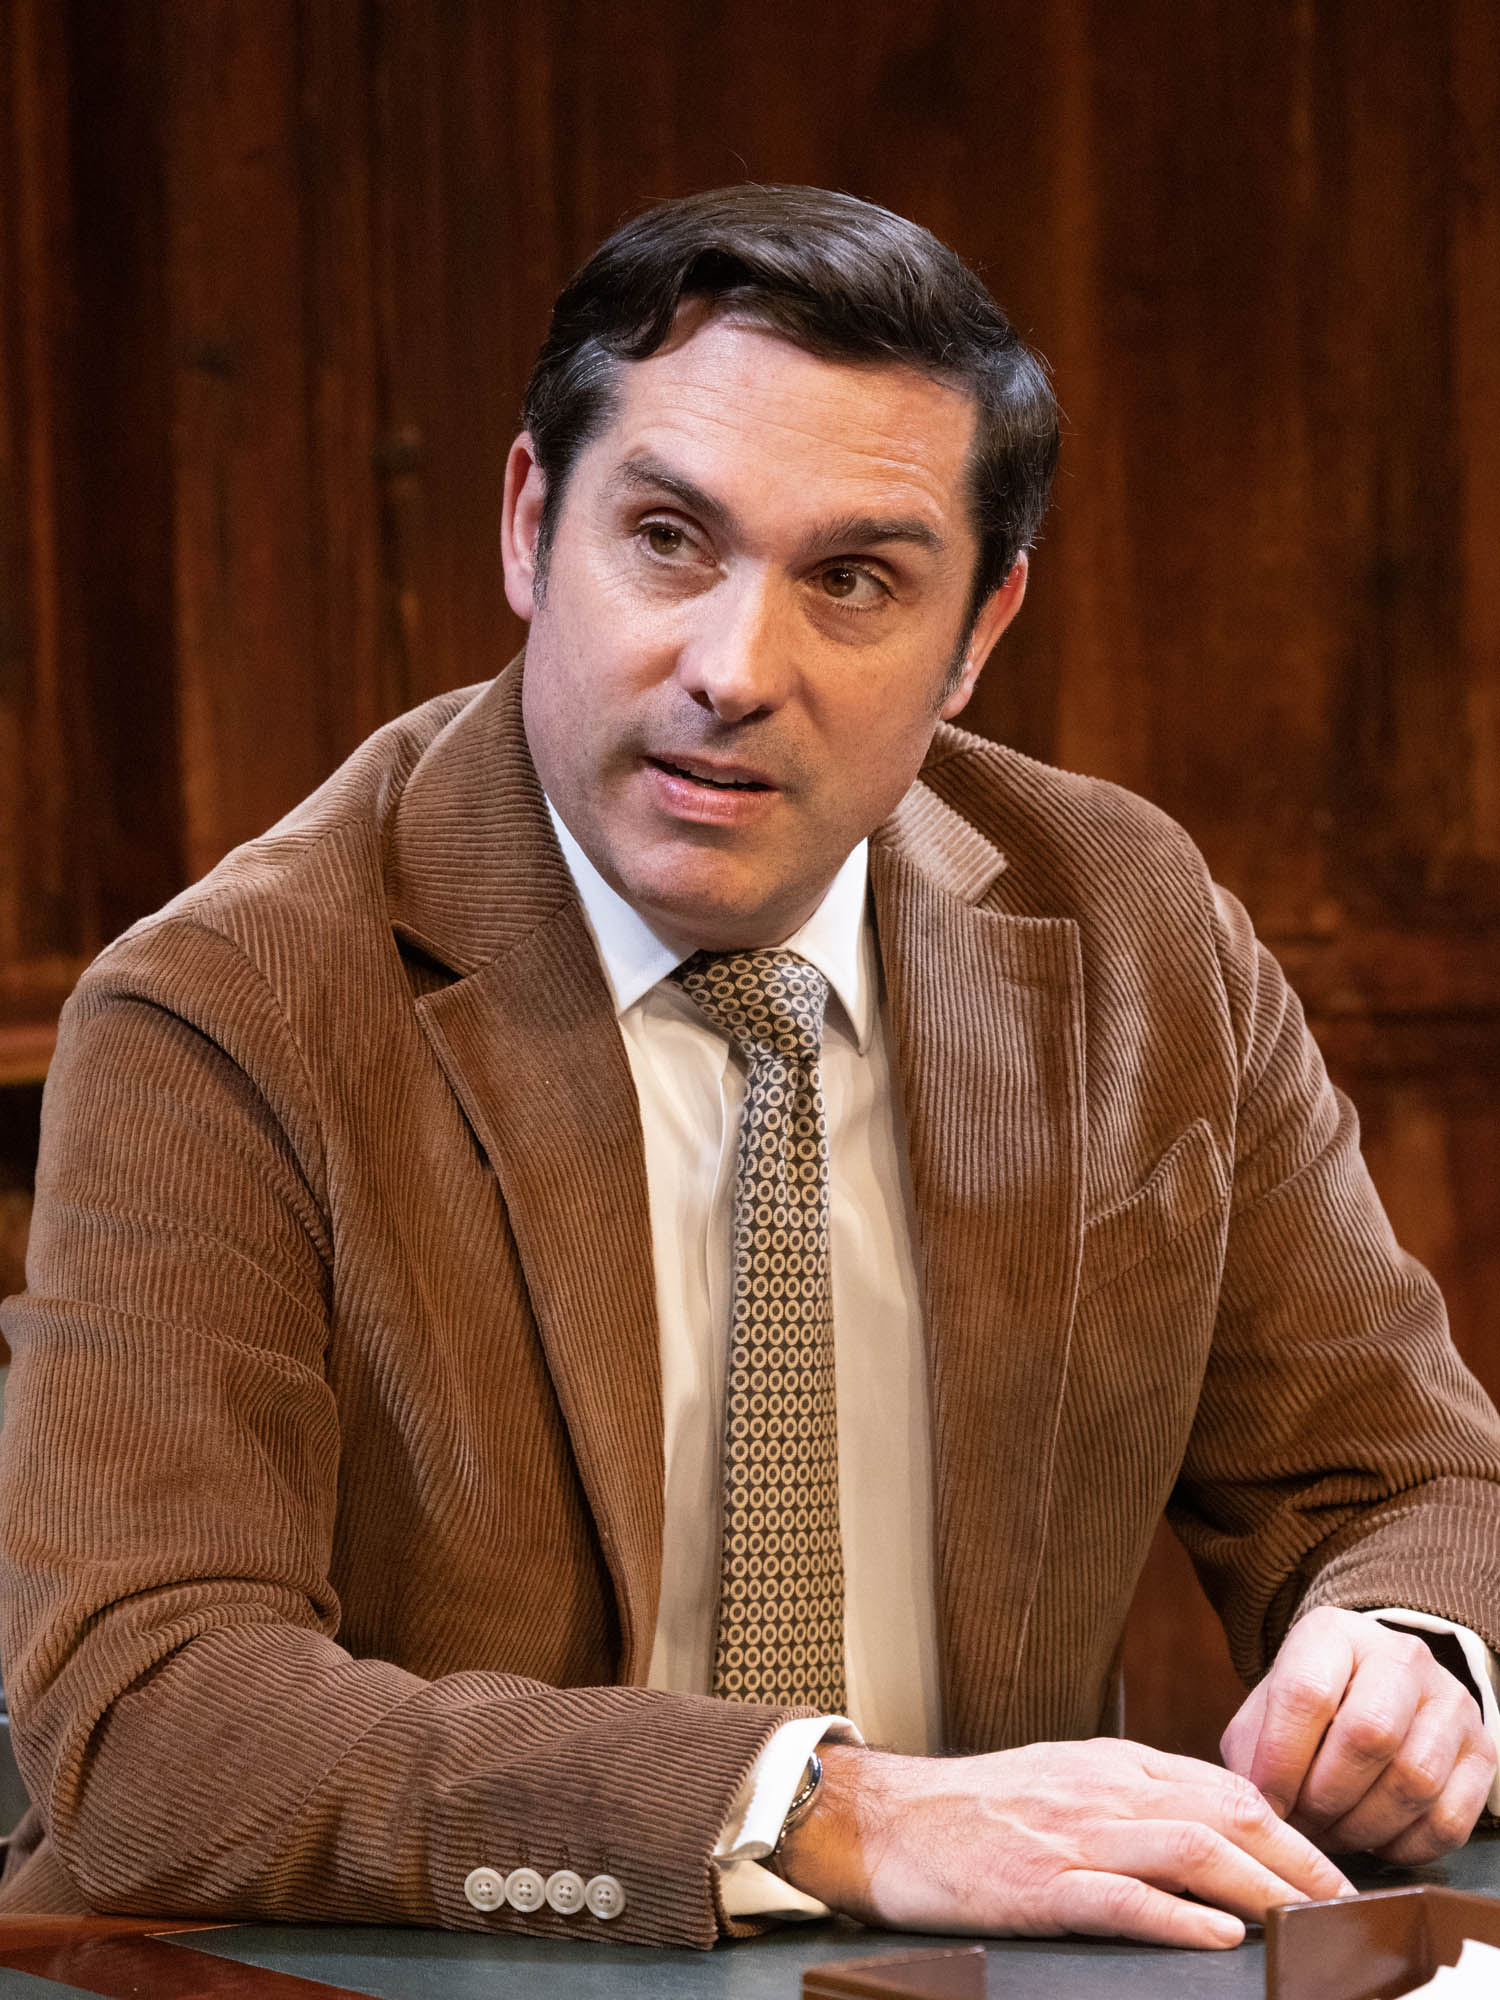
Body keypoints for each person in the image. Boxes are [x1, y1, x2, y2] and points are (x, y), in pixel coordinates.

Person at [1, 185, 1498, 1956]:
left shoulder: (1132, 932)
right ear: (529, 524)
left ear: (979, 634)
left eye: (853, 582)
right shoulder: (229, 1006)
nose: (732, 670)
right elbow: (157, 1719)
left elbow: (1408, 1482)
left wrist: (1406, 1655)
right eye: (667, 540)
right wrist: (826, 1809)